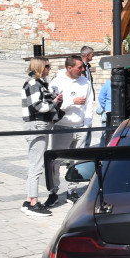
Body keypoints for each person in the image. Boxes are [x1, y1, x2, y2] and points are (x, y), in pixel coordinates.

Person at [48, 55, 94, 206]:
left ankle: (72, 191)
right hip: (63, 126)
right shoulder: (57, 82)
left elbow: (89, 105)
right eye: (79, 67)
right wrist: (71, 102)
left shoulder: (85, 82)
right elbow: (53, 105)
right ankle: (53, 191)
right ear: (69, 68)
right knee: (56, 160)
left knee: (77, 161)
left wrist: (86, 125)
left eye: (83, 67)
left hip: (80, 126)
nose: (82, 69)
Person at [21, 58, 63, 217]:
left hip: (41, 126)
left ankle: (28, 200)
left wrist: (54, 100)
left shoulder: (39, 83)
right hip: (37, 125)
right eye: (47, 66)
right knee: (36, 165)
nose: (49, 69)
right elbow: (38, 106)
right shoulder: (33, 84)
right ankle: (33, 203)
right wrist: (54, 102)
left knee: (35, 164)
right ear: (39, 67)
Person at [79, 46, 97, 146]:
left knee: (88, 122)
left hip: (88, 100)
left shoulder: (87, 67)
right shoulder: (80, 67)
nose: (92, 56)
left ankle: (86, 146)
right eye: (91, 54)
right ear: (87, 55)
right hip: (81, 101)